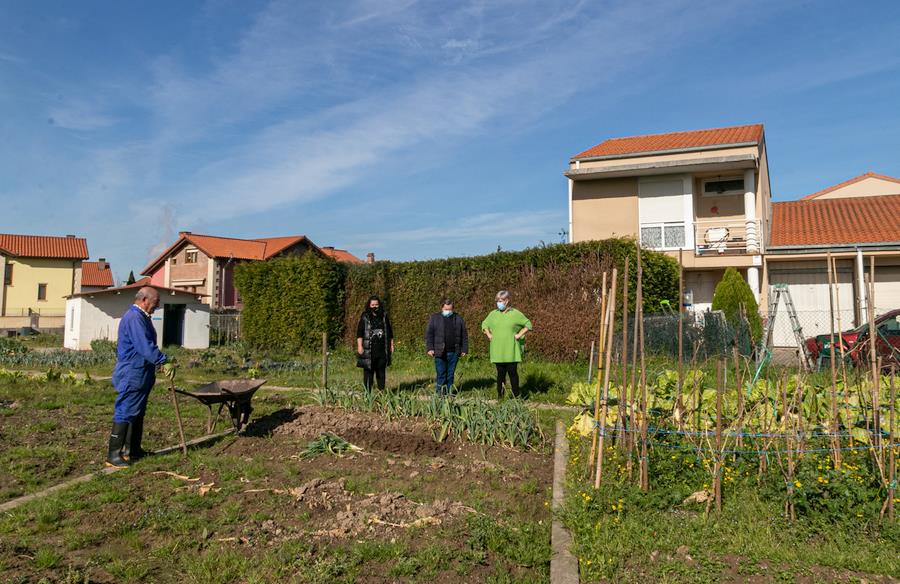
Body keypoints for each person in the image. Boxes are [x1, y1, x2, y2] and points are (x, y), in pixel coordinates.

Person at [106, 287, 173, 467]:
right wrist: (162, 360)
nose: (156, 306)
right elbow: (144, 345)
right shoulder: (135, 318)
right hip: (132, 372)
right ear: (144, 300)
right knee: (126, 410)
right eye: (155, 303)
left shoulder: (142, 317)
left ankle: (133, 450)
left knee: (137, 411)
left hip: (141, 371)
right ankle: (114, 455)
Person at [481, 290, 532, 399]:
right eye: (497, 301)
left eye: (501, 300)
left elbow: (528, 324)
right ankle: (500, 397)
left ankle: (516, 397)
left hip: (511, 350)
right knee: (500, 374)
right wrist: (489, 334)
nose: (498, 303)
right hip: (497, 350)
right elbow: (484, 324)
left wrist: (519, 335)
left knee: (513, 373)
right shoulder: (493, 314)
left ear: (507, 301)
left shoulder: (515, 314)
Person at [425, 299, 469, 396]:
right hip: (439, 351)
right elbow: (429, 334)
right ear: (442, 308)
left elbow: (464, 335)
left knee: (450, 375)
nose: (448, 311)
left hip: (454, 352)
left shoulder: (459, 319)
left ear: (453, 309)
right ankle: (440, 395)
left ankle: (449, 394)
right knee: (441, 374)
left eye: (450, 309)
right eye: (446, 309)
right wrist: (430, 348)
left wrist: (464, 349)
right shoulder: (434, 318)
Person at [356, 295, 394, 391]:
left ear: (379, 305)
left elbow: (389, 331)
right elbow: (360, 332)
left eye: (376, 304)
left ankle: (381, 392)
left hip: (381, 349)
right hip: (369, 349)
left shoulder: (384, 316)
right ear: (369, 305)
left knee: (381, 371)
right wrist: (360, 346)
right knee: (368, 372)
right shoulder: (365, 316)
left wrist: (391, 345)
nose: (374, 306)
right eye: (372, 304)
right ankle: (368, 394)